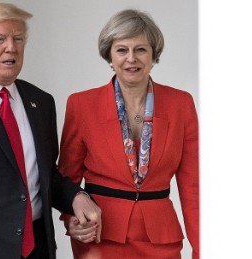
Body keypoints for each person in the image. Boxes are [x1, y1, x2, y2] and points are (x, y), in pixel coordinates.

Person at [58, 9, 199, 259]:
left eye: (141, 49)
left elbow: (192, 187)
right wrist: (72, 219)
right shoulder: (81, 105)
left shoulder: (181, 104)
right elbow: (66, 179)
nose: (131, 58)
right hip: (100, 237)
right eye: (122, 50)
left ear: (153, 54)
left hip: (161, 239)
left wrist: (202, 249)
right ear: (109, 56)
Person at [0, 3, 101, 259]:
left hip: (37, 248)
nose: (11, 47)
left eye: (18, 38)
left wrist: (76, 197)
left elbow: (46, 174)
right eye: (0, 39)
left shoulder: (40, 101)